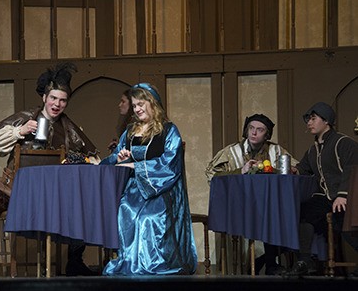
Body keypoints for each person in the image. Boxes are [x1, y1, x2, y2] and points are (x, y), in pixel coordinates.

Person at [0, 62, 100, 278]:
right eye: (53, 98)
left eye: (62, 100)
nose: (57, 104)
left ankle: (75, 262)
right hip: (14, 192)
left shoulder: (71, 129)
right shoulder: (26, 117)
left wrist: (76, 159)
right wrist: (20, 130)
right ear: (44, 98)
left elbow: (94, 158)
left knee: (83, 203)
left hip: (51, 197)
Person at [101, 83, 197, 275]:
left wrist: (135, 166)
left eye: (141, 103)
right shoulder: (129, 131)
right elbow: (116, 158)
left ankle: (153, 263)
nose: (137, 109)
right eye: (135, 105)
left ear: (152, 103)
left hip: (159, 190)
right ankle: (130, 261)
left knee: (148, 219)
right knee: (125, 212)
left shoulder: (169, 130)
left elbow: (170, 163)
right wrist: (120, 158)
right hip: (133, 190)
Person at [205, 113, 298, 275]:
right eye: (251, 128)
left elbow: (295, 170)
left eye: (260, 130)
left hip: (269, 206)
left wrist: (289, 170)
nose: (254, 133)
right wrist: (240, 170)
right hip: (240, 206)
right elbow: (212, 175)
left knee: (284, 216)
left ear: (266, 134)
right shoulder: (231, 152)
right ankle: (262, 262)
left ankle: (268, 261)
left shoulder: (276, 151)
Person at [286, 102, 358, 276]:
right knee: (301, 212)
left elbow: (352, 170)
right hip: (325, 197)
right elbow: (303, 168)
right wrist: (293, 170)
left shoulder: (344, 142)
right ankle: (306, 260)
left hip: (347, 196)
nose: (309, 123)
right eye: (308, 120)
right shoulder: (312, 150)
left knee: (344, 223)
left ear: (326, 121)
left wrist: (343, 195)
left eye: (313, 119)